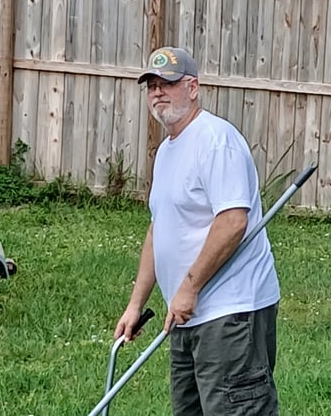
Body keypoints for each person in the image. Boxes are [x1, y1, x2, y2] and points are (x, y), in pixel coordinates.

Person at [114, 46, 280, 416]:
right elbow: (160, 229)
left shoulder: (216, 140)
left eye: (167, 84)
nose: (158, 93)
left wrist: (189, 288)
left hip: (229, 313)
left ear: (193, 87)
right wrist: (136, 305)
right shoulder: (168, 151)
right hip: (186, 315)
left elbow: (233, 221)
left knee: (235, 409)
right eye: (151, 85)